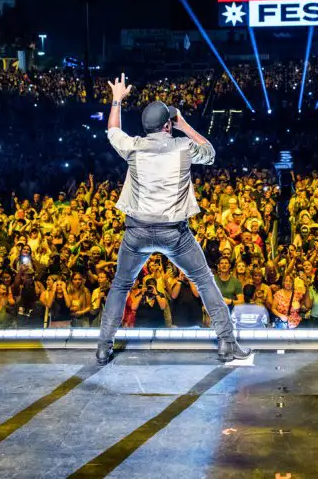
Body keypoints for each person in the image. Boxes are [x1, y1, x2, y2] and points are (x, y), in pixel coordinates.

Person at [95, 74, 250, 364]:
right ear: (168, 124)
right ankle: (227, 343)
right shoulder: (183, 147)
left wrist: (117, 98)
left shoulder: (134, 147)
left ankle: (104, 346)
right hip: (174, 235)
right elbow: (210, 153)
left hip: (137, 232)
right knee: (204, 280)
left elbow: (113, 129)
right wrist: (185, 125)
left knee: (120, 285)